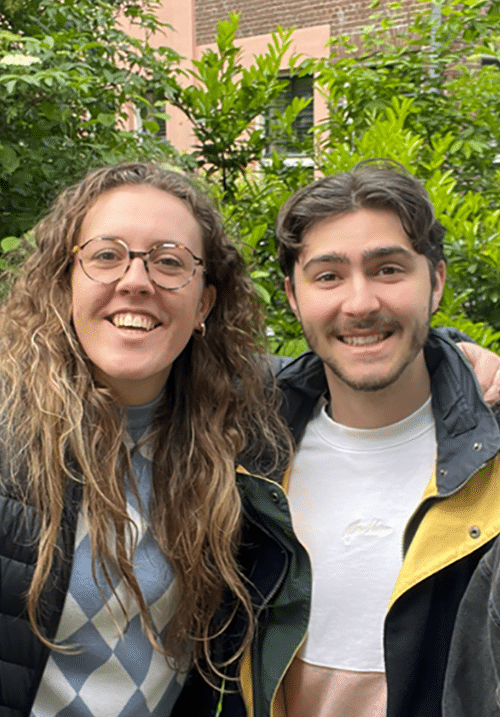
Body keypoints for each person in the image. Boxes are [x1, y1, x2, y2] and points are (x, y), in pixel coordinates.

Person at [0, 161, 297, 717]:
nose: (136, 281)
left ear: (204, 304)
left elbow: (349, 360)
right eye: (106, 255)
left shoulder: (238, 427)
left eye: (169, 262)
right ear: (65, 282)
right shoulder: (7, 427)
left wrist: (444, 356)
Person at [262, 160, 500, 717]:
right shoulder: (247, 448)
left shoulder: (489, 456)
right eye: (328, 276)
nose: (360, 303)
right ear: (293, 296)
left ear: (435, 282)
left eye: (388, 270)